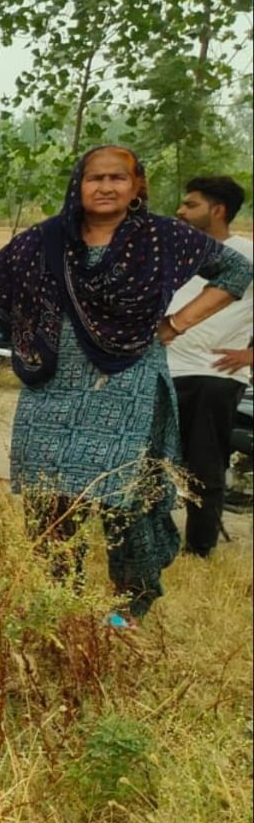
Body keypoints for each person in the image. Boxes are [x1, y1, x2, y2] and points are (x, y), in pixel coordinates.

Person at [0, 147, 250, 625]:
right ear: (78, 185)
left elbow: (238, 271)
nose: (105, 187)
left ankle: (126, 610)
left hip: (127, 380)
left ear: (136, 186)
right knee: (48, 496)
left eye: (117, 178)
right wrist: (33, 330)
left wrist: (175, 323)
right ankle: (59, 605)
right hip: (52, 386)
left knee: (123, 500)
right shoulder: (49, 238)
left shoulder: (161, 237)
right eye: (95, 178)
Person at [169, 176, 253, 557]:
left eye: (191, 205)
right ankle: (151, 540)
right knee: (151, 460)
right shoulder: (177, 253)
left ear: (217, 210)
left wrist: (250, 356)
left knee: (204, 463)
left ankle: (199, 548)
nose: (180, 211)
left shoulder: (246, 255)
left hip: (213, 374)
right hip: (162, 369)